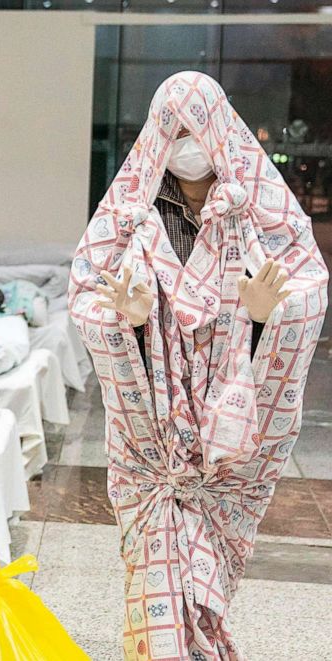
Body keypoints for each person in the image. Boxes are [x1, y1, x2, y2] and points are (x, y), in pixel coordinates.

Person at [69, 71, 327, 660]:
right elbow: (87, 285)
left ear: (221, 129)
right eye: (175, 128)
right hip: (151, 441)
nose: (187, 142)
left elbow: (308, 283)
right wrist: (127, 321)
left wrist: (267, 316)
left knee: (208, 580)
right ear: (159, 133)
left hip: (226, 443)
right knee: (153, 574)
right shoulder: (133, 209)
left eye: (197, 127)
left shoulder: (261, 209)